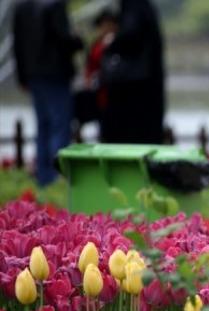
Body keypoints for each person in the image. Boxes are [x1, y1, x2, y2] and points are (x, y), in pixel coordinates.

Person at [12, 0, 83, 186]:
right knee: (60, 126)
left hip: (33, 75)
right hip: (56, 75)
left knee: (42, 127)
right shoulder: (55, 5)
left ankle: (43, 177)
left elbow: (17, 43)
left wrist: (22, 77)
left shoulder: (22, 7)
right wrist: (78, 41)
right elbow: (62, 38)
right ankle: (58, 176)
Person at [99, 0, 165, 144]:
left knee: (134, 136)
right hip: (146, 83)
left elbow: (131, 34)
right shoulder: (143, 7)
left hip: (137, 86)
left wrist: (112, 43)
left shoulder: (133, 7)